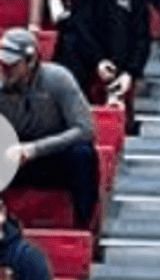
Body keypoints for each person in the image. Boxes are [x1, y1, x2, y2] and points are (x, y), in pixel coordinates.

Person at [0, 27, 100, 229]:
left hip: (51, 156)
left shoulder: (58, 79)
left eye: (12, 65)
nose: (5, 69)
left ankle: (84, 228)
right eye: (2, 64)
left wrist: (34, 149)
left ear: (31, 61)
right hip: (10, 156)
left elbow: (85, 128)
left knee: (83, 155)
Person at [54, 0, 150, 108]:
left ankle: (116, 96)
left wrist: (130, 72)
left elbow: (142, 36)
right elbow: (81, 25)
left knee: (121, 20)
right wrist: (98, 60)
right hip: (86, 49)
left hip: (118, 52)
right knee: (70, 39)